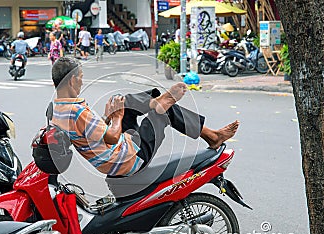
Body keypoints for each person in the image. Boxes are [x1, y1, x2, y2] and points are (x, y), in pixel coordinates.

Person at [51, 57, 239, 177]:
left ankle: (155, 101)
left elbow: (89, 133)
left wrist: (107, 117)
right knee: (164, 113)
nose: (83, 81)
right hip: (127, 160)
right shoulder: (77, 112)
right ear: (73, 79)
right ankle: (213, 136)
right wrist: (116, 118)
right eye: (81, 76)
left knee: (123, 101)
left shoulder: (59, 109)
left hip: (113, 153)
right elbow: (110, 137)